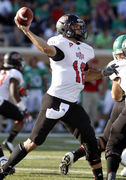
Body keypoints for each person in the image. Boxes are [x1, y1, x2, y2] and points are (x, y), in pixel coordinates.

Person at [0, 14, 104, 180]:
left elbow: (84, 75)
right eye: (75, 26)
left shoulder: (84, 49)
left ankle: (99, 178)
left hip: (72, 103)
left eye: (79, 26)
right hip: (55, 101)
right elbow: (47, 49)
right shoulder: (59, 42)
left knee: (90, 141)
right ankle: (4, 170)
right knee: (33, 142)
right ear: (65, 28)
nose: (79, 29)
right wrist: (27, 31)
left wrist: (103, 73)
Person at [59, 34, 126, 180]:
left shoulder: (117, 64)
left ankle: (75, 154)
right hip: (121, 103)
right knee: (111, 143)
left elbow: (116, 96)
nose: (119, 57)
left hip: (120, 103)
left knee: (109, 142)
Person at [0, 51, 32, 154]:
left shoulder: (2, 72)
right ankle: (9, 141)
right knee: (22, 118)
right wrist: (25, 110)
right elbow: (13, 93)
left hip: (1, 101)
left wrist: (19, 92)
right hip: (0, 102)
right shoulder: (15, 72)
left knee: (19, 117)